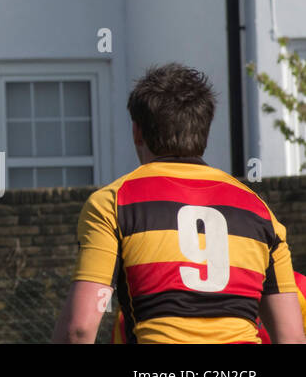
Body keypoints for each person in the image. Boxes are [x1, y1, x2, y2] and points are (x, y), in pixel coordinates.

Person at [53, 63, 305, 344]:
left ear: (137, 132)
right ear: (204, 133)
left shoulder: (113, 203)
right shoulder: (260, 212)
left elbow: (79, 329)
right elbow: (291, 338)